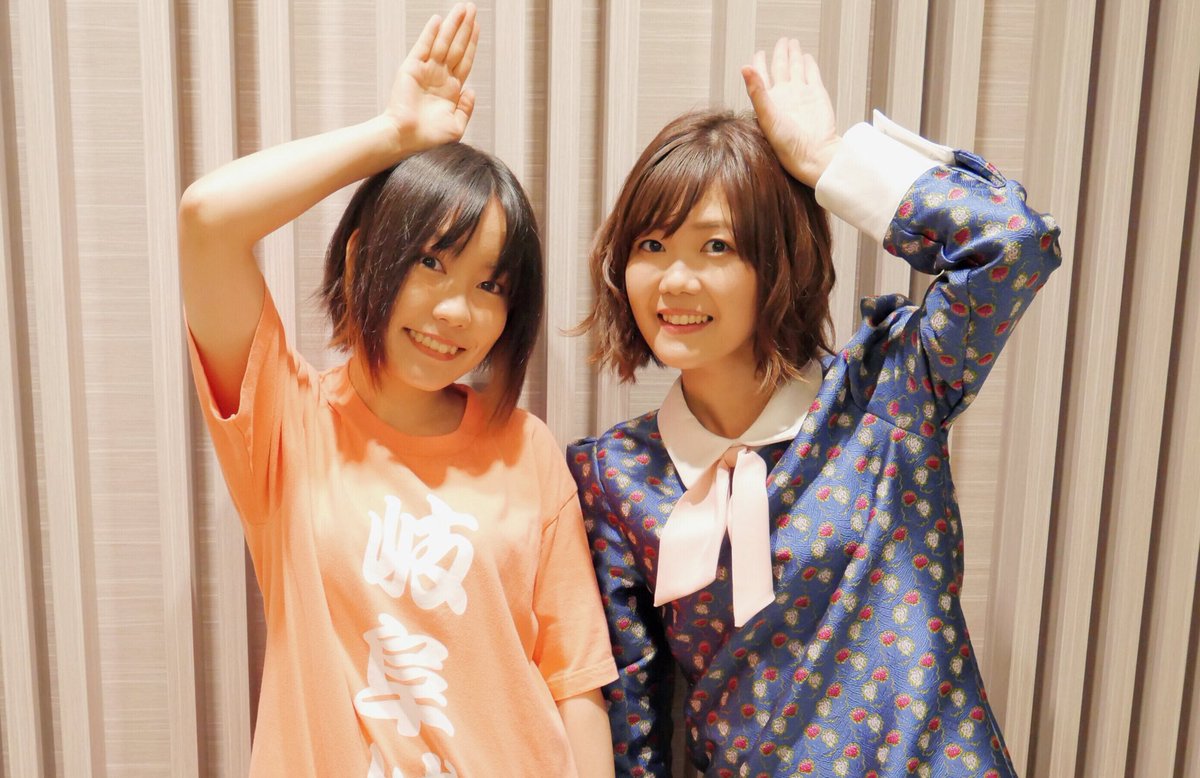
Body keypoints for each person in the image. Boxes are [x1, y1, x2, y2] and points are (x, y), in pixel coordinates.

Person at [569, 39, 1060, 777]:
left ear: (777, 262)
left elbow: (1011, 244)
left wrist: (828, 159)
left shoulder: (888, 390)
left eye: (716, 246)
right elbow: (632, 721)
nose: (675, 280)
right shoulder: (615, 475)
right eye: (651, 244)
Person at [179, 5, 616, 776]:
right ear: (361, 260)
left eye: (491, 285)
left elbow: (574, 683)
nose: (456, 311)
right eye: (431, 264)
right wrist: (392, 135)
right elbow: (208, 218)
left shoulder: (525, 447)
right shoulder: (287, 422)